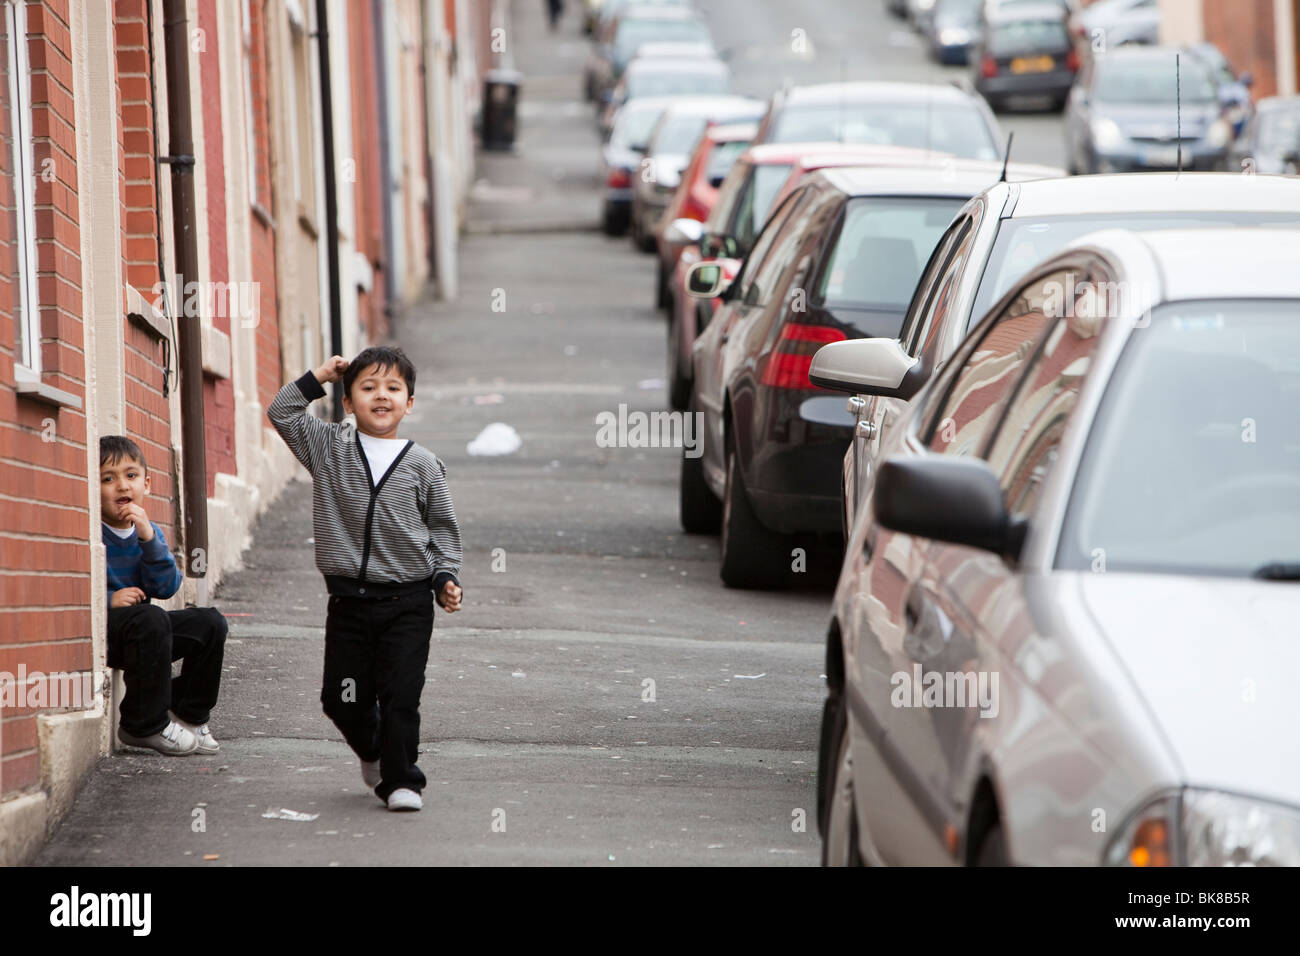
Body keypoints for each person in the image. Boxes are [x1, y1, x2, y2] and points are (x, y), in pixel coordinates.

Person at [267, 347, 463, 812]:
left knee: (400, 695)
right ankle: (374, 750)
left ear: (409, 403)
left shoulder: (424, 465)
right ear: (349, 402)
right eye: (368, 387)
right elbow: (282, 411)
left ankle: (403, 781)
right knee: (341, 698)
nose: (382, 396)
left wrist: (445, 578)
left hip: (408, 602)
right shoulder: (329, 447)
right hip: (350, 603)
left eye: (394, 388)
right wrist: (321, 375)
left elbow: (442, 530)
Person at [101, 435, 227, 756]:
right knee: (151, 617)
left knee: (209, 623)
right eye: (107, 479)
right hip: (109, 633)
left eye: (131, 476)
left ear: (147, 483)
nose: (122, 487)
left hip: (147, 635)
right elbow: (71, 587)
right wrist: (107, 601)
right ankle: (143, 725)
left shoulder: (148, 533)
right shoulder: (91, 531)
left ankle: (189, 713)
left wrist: (147, 539)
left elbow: (167, 586)